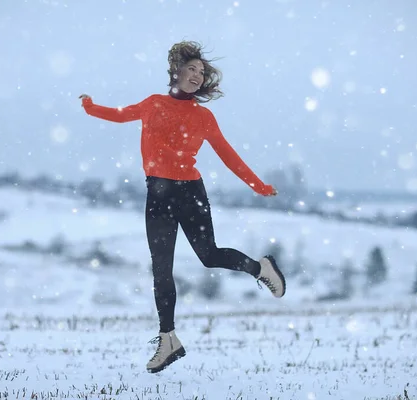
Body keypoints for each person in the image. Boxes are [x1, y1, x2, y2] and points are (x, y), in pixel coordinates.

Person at [79, 41, 286, 373]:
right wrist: (90, 107)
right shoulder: (152, 104)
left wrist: (258, 185)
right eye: (192, 69)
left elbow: (228, 155)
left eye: (202, 73)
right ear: (176, 71)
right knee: (161, 269)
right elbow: (120, 115)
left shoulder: (204, 117)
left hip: (190, 193)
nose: (197, 76)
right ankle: (168, 339)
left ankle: (260, 269)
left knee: (209, 255)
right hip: (157, 195)